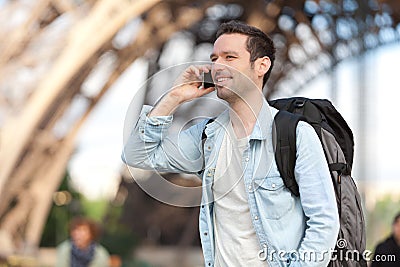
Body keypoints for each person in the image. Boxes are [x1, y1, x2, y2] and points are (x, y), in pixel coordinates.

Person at [123, 20, 339, 266]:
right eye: (214, 59)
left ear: (261, 65)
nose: (217, 66)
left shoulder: (297, 134)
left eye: (230, 57)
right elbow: (136, 156)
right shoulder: (206, 137)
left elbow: (324, 223)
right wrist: (173, 97)